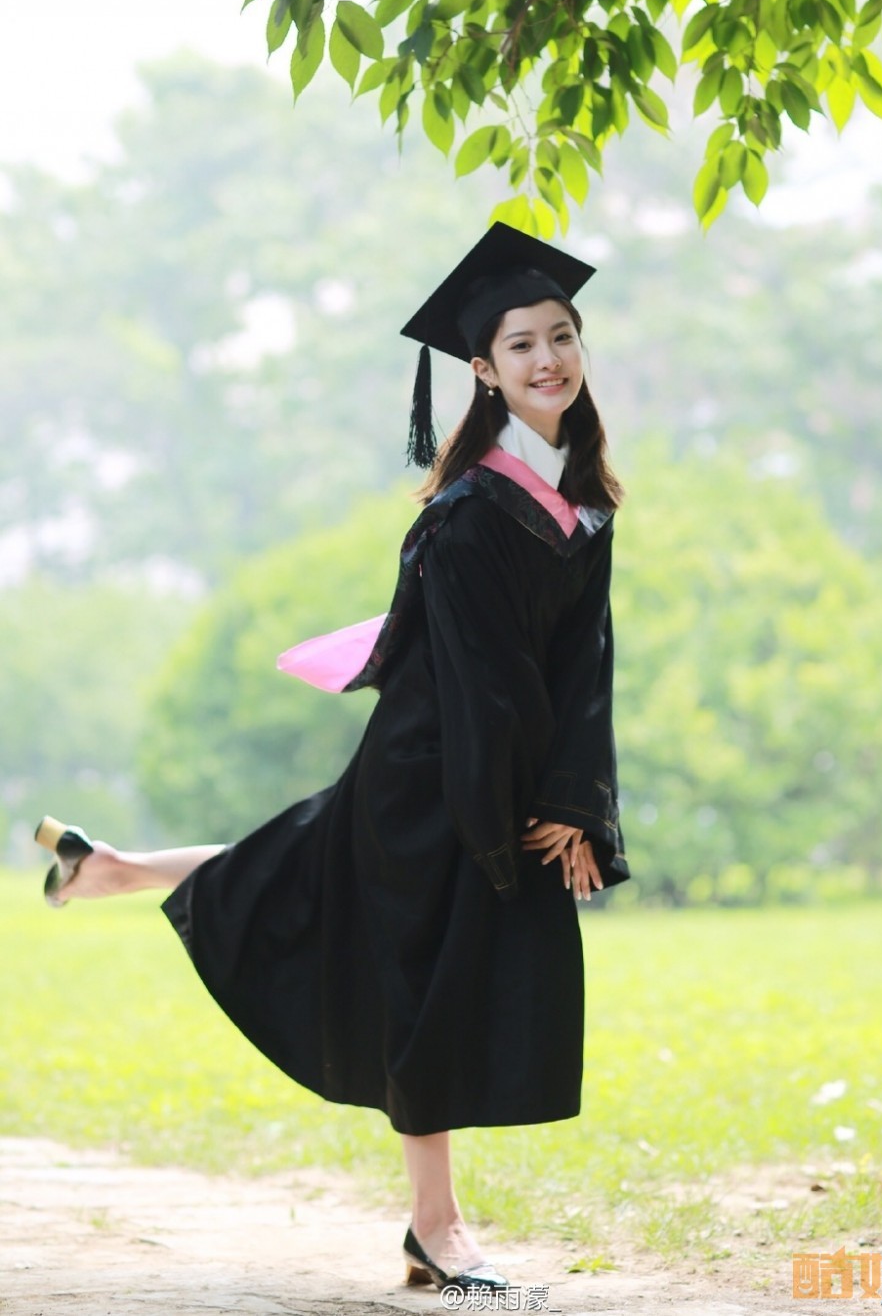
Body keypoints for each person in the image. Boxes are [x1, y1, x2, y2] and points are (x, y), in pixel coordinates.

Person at [35, 223, 629, 1292]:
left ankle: (113, 867)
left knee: (311, 877)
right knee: (421, 979)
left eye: (561, 336)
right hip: (442, 772)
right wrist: (509, 813)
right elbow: (487, 679)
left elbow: (586, 661)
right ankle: (436, 1227)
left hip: (494, 764)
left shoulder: (583, 502)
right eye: (522, 344)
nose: (548, 359)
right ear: (483, 371)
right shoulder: (470, 512)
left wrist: (577, 798)